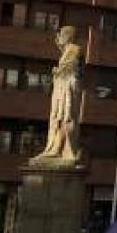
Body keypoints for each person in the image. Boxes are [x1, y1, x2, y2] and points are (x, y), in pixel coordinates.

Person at [36, 27, 82, 164]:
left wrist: (57, 71)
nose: (58, 37)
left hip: (67, 87)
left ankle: (59, 148)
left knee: (64, 116)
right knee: (57, 117)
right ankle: (55, 147)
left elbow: (68, 66)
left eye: (61, 34)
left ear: (68, 36)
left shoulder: (74, 49)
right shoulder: (68, 49)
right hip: (62, 86)